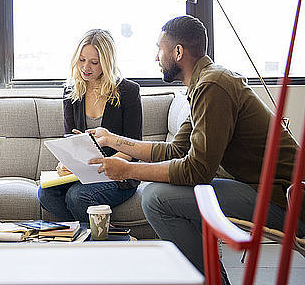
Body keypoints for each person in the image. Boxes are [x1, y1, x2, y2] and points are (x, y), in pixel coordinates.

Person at [87, 16, 304, 284]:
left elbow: (197, 170)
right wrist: (112, 140)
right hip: (262, 189)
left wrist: (129, 169)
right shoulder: (204, 83)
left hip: (285, 200)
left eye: (159, 49)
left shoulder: (213, 86)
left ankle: (210, 281)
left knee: (156, 198)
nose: (157, 58)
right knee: (158, 194)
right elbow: (176, 150)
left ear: (178, 52)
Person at [38, 29, 142, 223]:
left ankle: (95, 242)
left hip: (119, 173)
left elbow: (133, 147)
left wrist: (101, 168)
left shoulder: (128, 91)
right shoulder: (71, 91)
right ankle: (90, 237)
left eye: (94, 62)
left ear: (107, 62)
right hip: (85, 172)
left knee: (77, 197)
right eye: (81, 60)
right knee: (46, 194)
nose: (86, 67)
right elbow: (69, 140)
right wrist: (67, 164)